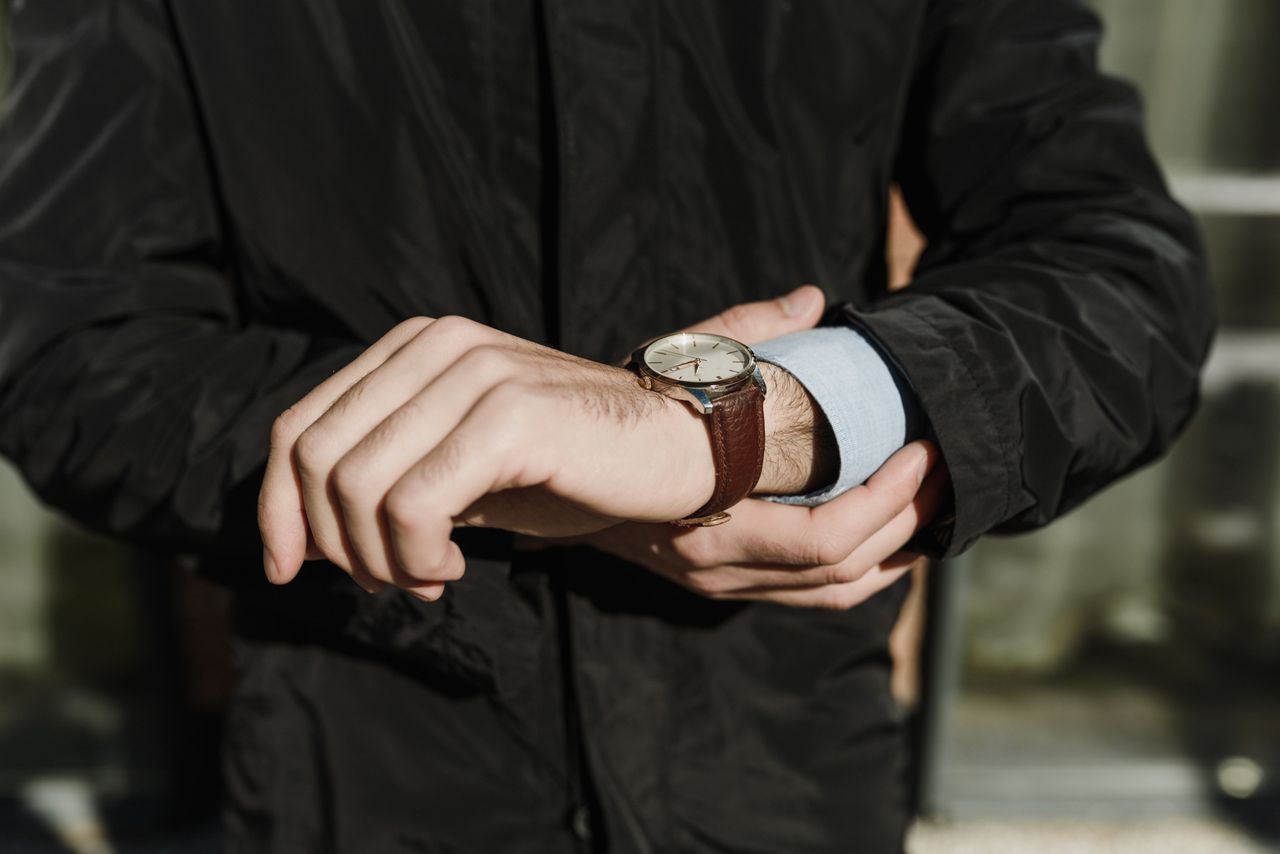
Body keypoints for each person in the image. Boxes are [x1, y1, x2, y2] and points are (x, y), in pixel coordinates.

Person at [0, 1, 1212, 852]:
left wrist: (738, 429)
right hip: (366, 758)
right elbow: (69, 348)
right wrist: (513, 474)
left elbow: (1120, 276)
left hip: (784, 761)